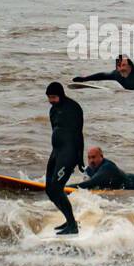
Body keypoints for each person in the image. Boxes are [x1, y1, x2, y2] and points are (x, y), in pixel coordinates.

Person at [44, 82, 84, 235]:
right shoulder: (53, 110)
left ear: (61, 94)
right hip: (56, 152)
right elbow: (55, 130)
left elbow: (79, 134)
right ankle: (69, 220)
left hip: (69, 152)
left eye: (54, 97)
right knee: (50, 190)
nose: (51, 100)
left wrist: (79, 158)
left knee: (57, 188)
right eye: (49, 98)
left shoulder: (73, 108)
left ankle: (72, 225)